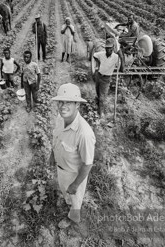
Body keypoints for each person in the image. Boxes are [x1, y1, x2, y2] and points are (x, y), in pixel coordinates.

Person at [50, 83, 96, 227]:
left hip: (73, 174)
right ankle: (67, 199)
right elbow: (57, 138)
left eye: (68, 102)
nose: (63, 106)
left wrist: (75, 184)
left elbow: (88, 164)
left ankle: (73, 217)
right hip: (61, 168)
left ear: (77, 105)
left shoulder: (84, 134)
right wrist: (52, 155)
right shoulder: (60, 118)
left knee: (75, 200)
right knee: (65, 191)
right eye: (61, 102)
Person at [93, 38, 119, 118]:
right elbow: (94, 55)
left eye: (110, 48)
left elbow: (120, 67)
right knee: (97, 91)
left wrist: (120, 54)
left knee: (102, 97)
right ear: (105, 48)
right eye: (107, 48)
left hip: (106, 79)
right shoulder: (101, 54)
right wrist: (98, 63)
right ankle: (98, 103)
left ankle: (101, 112)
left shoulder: (115, 57)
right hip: (99, 76)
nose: (108, 49)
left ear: (113, 47)